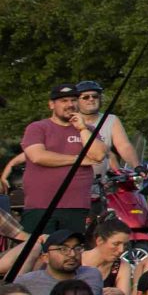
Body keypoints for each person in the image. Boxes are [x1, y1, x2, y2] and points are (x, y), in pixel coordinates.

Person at [18, 83, 105, 243]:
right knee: (36, 250)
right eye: (64, 101)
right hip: (41, 205)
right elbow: (38, 156)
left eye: (73, 100)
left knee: (71, 252)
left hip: (77, 205)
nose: (70, 104)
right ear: (52, 104)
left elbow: (98, 155)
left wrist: (82, 128)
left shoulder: (89, 130)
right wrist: (79, 159)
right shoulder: (38, 127)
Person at [71, 81, 139, 171]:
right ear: (76, 101)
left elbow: (123, 145)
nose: (91, 99)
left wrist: (137, 166)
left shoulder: (111, 119)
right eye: (86, 97)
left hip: (105, 177)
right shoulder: (70, 120)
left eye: (95, 96)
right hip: (76, 174)